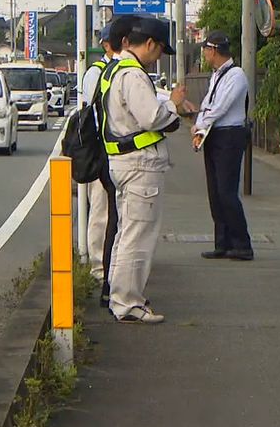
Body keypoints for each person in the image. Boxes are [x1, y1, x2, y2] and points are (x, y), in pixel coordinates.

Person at [100, 17, 189, 324]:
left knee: (128, 232)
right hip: (139, 165)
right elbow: (152, 117)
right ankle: (128, 303)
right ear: (150, 44)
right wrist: (174, 106)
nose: (159, 58)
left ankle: (120, 296)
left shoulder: (114, 69)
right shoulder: (134, 76)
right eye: (161, 50)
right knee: (138, 236)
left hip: (124, 162)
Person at [80, 17, 135, 304]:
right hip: (103, 149)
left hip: (117, 151)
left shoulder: (121, 71)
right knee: (101, 212)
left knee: (115, 213)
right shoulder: (98, 72)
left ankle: (111, 266)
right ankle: (99, 269)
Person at [192, 30, 253, 261]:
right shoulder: (217, 75)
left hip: (230, 135)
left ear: (214, 50)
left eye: (206, 49)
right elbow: (208, 102)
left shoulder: (236, 75)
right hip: (214, 134)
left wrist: (202, 123)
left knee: (227, 192)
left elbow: (221, 106)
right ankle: (223, 242)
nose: (205, 54)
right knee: (215, 192)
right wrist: (199, 125)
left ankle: (242, 243)